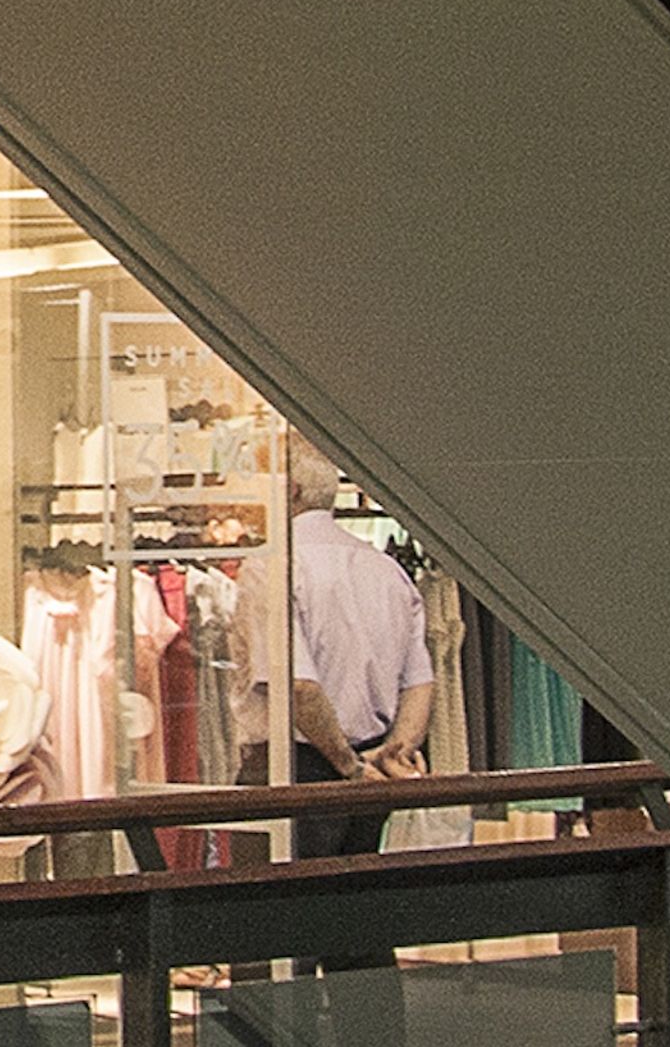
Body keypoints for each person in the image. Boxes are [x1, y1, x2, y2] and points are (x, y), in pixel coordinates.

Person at [284, 439, 436, 1039]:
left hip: (305, 766)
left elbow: (299, 689)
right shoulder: (384, 568)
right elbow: (420, 682)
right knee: (359, 927)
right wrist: (393, 752)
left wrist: (348, 766)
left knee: (280, 932)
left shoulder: (278, 566)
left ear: (288, 493)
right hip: (370, 764)